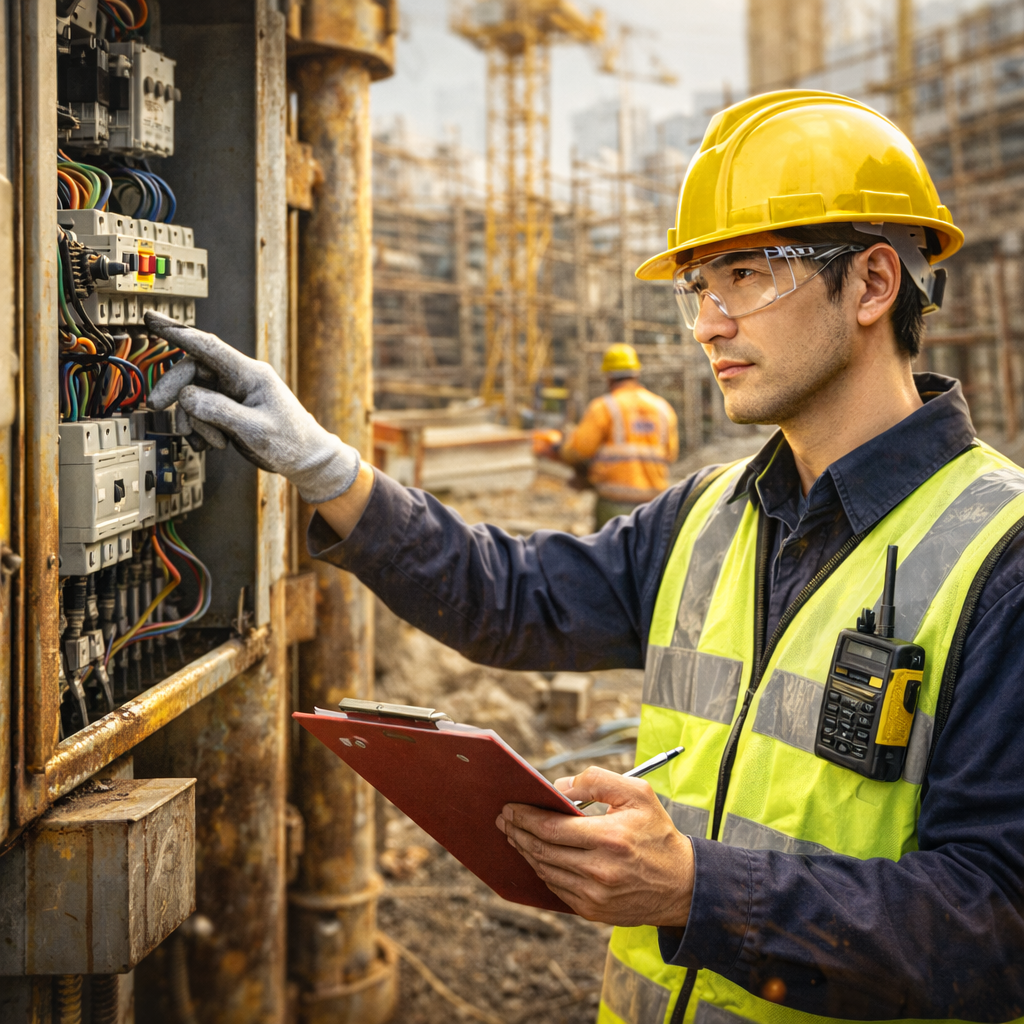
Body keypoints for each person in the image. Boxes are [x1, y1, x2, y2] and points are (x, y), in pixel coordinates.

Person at [145, 89, 1024, 1023]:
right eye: (700, 288)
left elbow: (999, 924)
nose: (708, 325)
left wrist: (697, 891)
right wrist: (330, 471)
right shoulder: (707, 514)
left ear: (875, 285)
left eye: (745, 275)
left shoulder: (998, 559)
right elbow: (513, 597)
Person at [559, 344, 679, 530]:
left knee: (610, 556)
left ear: (608, 376)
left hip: (614, 504)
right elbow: (670, 455)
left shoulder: (604, 407)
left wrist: (563, 446)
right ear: (636, 373)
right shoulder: (663, 408)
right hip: (656, 504)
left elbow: (578, 450)